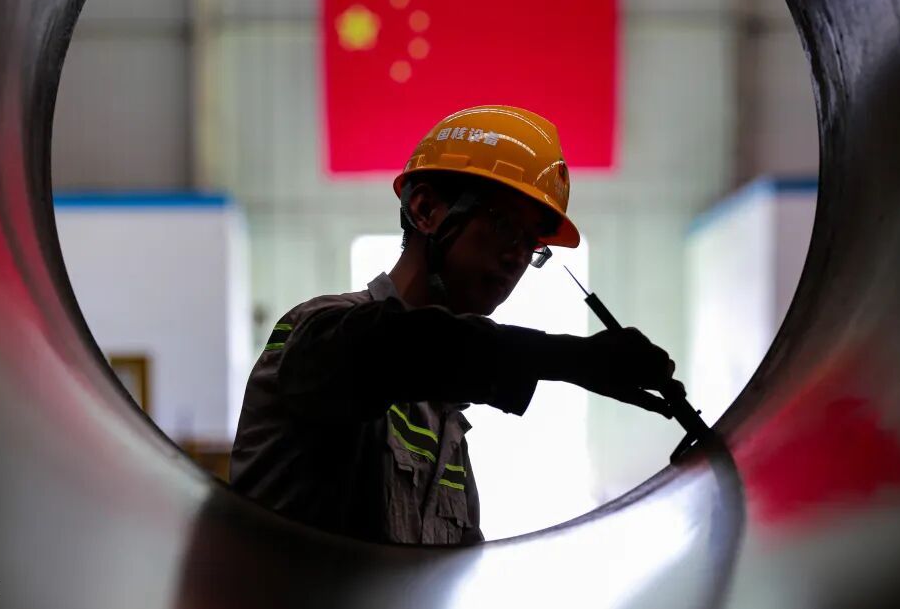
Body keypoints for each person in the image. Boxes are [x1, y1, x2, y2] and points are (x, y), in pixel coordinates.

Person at [230, 105, 682, 545]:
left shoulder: (445, 428)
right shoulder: (318, 332)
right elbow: (398, 347)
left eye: (531, 244)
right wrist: (572, 358)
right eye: (503, 224)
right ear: (425, 209)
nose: (517, 257)